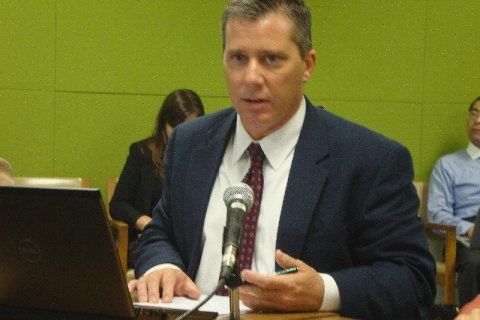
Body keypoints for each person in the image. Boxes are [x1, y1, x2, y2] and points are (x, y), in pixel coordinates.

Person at [128, 1, 436, 319]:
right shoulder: (190, 143)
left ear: (307, 65)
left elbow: (413, 280)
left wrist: (323, 291)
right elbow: (161, 231)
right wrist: (164, 265)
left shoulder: (369, 160)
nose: (251, 77)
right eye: (237, 58)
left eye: (271, 59)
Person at [109, 89, 205, 268]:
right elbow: (118, 204)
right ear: (164, 125)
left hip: (189, 243)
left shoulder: (205, 158)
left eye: (191, 128)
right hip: (152, 241)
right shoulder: (142, 153)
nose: (184, 135)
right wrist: (151, 224)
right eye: (176, 128)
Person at [428, 96, 480, 307]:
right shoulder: (448, 165)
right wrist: (469, 229)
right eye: (475, 114)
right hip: (466, 239)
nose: (478, 120)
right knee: (476, 262)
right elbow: (436, 213)